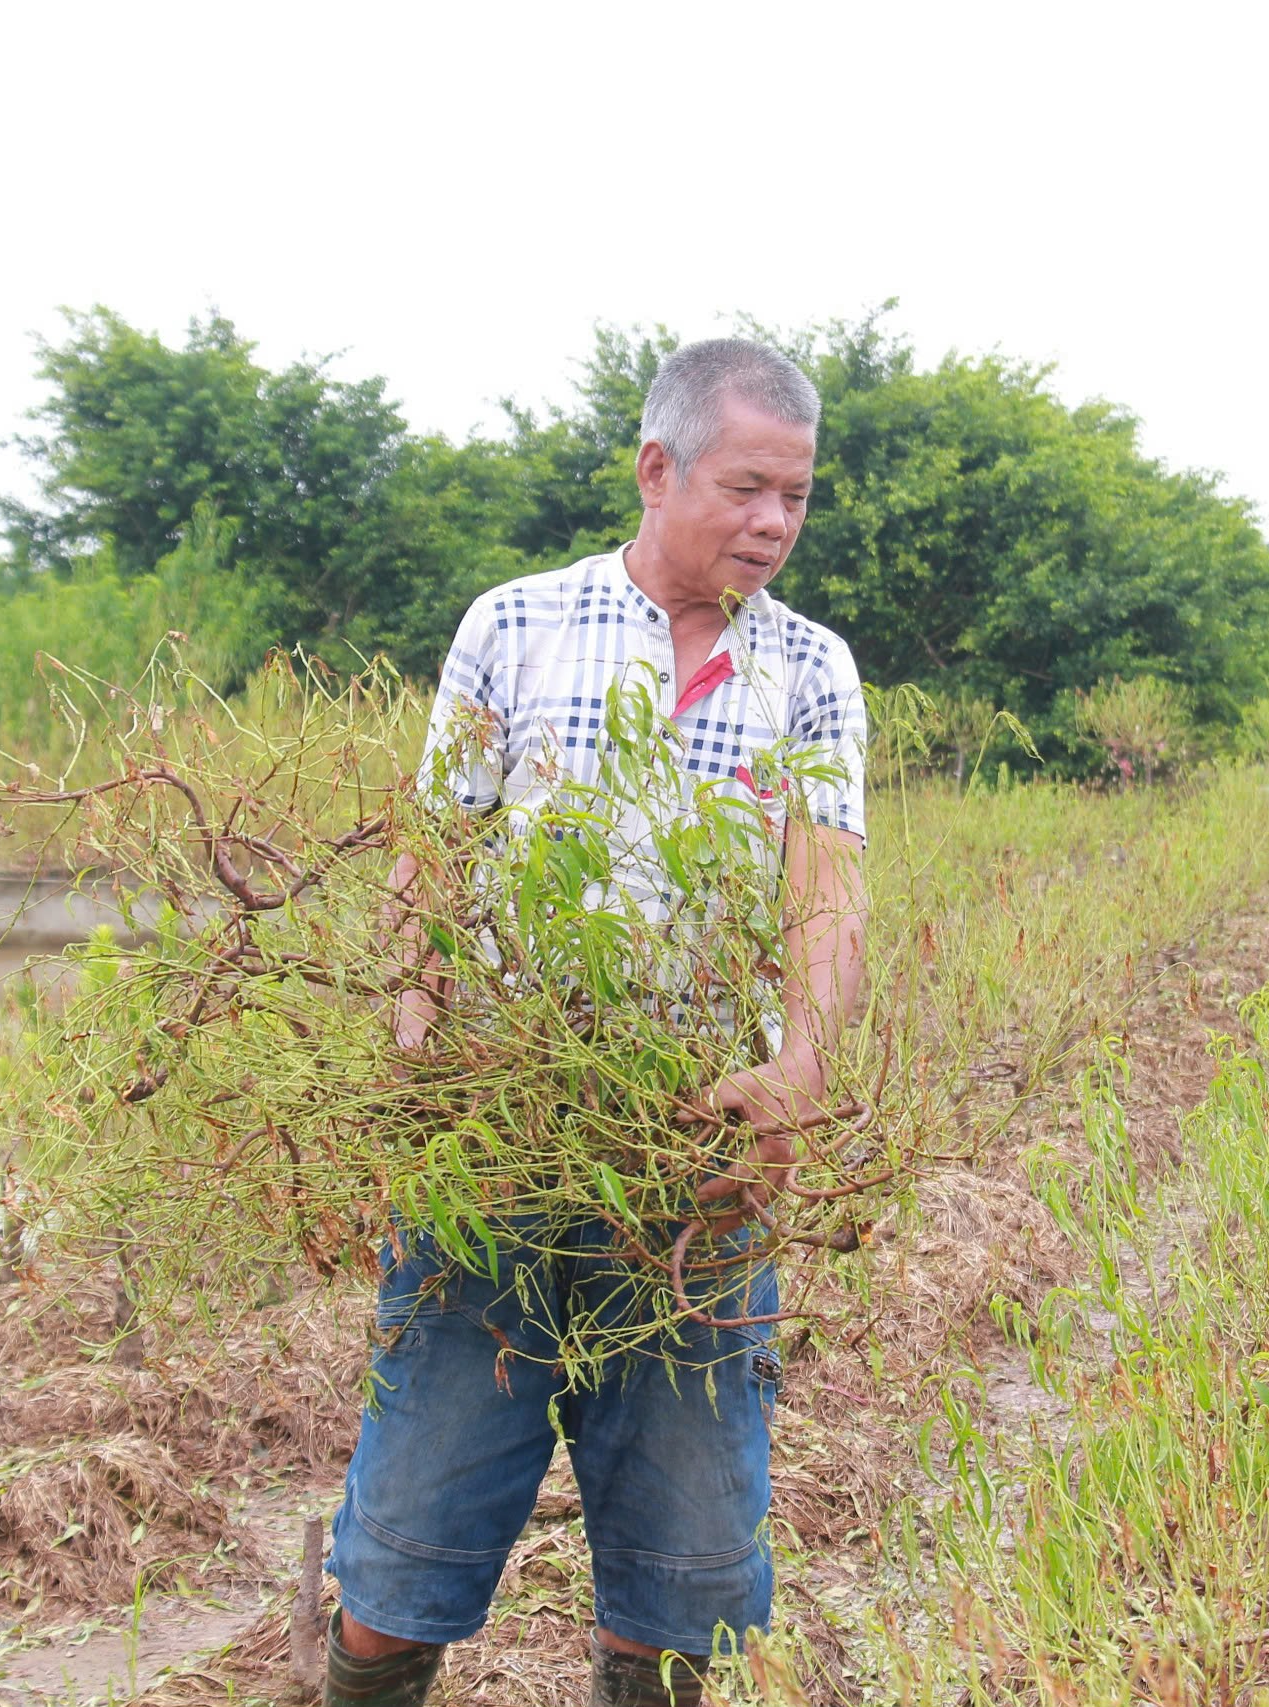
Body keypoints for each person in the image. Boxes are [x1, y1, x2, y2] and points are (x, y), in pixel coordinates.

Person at [323, 339, 872, 1707]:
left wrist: (797, 1072)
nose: (774, 523)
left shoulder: (810, 669)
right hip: (498, 1150)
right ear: (655, 469)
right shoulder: (513, 625)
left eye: (796, 498)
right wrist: (415, 1048)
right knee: (404, 1553)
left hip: (699, 1168)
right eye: (748, 487)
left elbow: (829, 892)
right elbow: (431, 865)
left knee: (683, 1580)